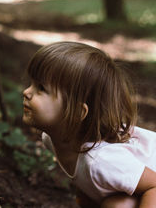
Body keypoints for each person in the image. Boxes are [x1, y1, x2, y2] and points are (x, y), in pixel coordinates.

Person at [22, 41, 156, 207]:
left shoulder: (102, 161)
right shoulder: (51, 139)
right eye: (31, 84)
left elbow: (154, 186)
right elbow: (88, 183)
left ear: (78, 113)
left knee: (118, 205)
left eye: (41, 88)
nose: (26, 92)